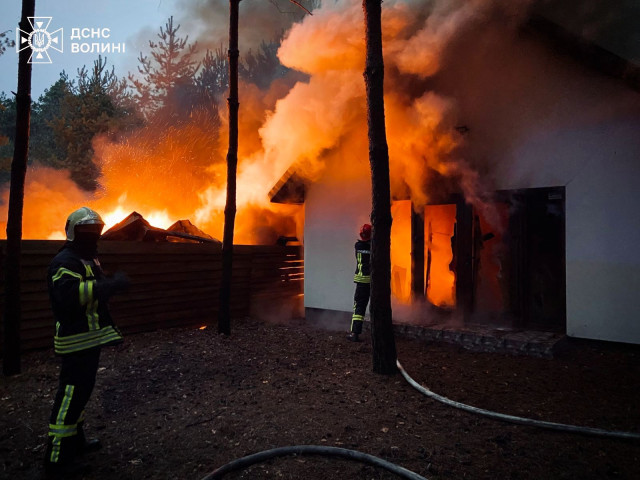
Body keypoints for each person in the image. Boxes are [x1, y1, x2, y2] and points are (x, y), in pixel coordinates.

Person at [44, 207, 130, 478]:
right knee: (71, 395)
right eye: (86, 231)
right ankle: (56, 457)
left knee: (81, 393)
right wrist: (108, 286)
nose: (92, 235)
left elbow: (95, 289)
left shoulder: (89, 259)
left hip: (90, 339)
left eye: (95, 230)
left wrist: (111, 283)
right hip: (75, 341)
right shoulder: (64, 262)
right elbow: (69, 296)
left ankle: (75, 442)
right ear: (73, 231)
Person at [347, 223, 371, 342]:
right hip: (372, 282)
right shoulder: (374, 247)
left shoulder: (358, 245)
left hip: (361, 282)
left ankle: (355, 333)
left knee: (359, 307)